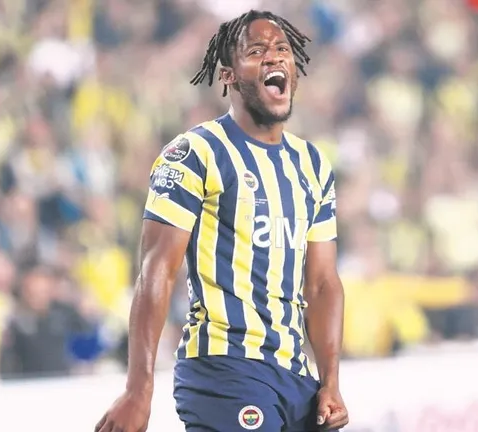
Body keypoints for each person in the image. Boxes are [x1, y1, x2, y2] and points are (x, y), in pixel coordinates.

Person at [96, 9, 348, 432]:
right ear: (229, 75)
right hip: (224, 367)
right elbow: (157, 268)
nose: (274, 57)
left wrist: (331, 382)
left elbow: (322, 283)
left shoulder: (312, 165)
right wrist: (139, 388)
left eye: (282, 49)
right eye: (257, 51)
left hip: (295, 378)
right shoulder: (195, 153)